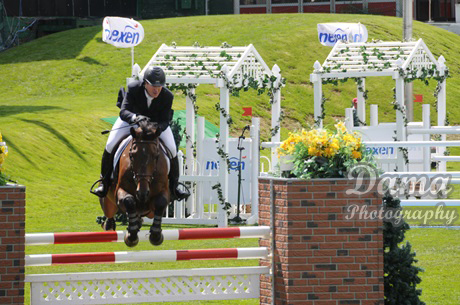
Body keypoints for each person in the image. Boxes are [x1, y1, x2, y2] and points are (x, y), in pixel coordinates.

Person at [92, 66, 189, 201]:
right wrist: (135, 117)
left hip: (155, 125)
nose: (157, 89)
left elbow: (166, 120)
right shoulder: (133, 89)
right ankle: (104, 183)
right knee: (110, 144)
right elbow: (123, 111)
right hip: (131, 122)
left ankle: (175, 187)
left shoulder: (167, 96)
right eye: (153, 85)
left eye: (159, 86)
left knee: (172, 149)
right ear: (145, 83)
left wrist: (157, 129)